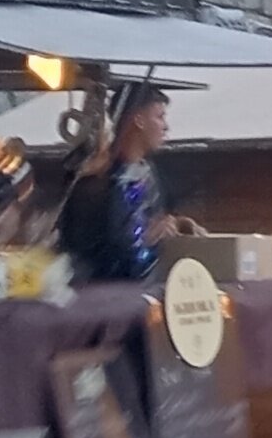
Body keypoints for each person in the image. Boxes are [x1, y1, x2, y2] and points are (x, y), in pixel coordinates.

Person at [53, 81, 191, 285]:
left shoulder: (149, 173)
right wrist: (143, 240)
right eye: (160, 117)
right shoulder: (99, 180)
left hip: (146, 292)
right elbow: (88, 250)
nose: (166, 126)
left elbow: (153, 224)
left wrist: (178, 225)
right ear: (139, 120)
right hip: (101, 298)